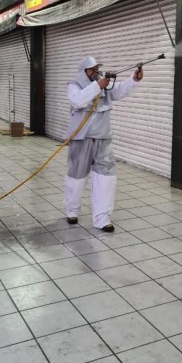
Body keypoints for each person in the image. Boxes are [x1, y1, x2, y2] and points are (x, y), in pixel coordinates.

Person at [63, 55, 143, 232]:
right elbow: (77, 100)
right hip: (81, 139)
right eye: (92, 69)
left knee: (106, 178)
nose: (96, 71)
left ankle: (102, 218)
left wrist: (134, 79)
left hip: (102, 139)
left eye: (97, 68)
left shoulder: (103, 85)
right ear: (84, 71)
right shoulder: (74, 85)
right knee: (76, 177)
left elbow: (118, 91)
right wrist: (97, 86)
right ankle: (72, 210)